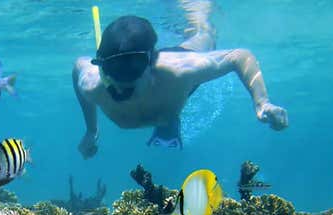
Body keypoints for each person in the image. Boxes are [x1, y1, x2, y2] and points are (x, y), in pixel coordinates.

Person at [73, 4, 288, 157]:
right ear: (102, 68)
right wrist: (91, 129)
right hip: (158, 82)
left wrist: (262, 102)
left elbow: (238, 56)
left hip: (176, 66)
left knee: (204, 35)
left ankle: (198, 20)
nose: (123, 85)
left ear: (151, 63)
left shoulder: (180, 72)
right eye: (115, 76)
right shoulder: (92, 85)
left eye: (132, 77)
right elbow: (78, 67)